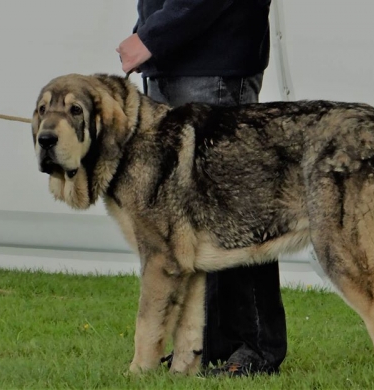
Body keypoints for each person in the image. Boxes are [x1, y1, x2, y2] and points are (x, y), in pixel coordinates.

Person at [116, 0, 287, 376]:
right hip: (171, 61)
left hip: (212, 65)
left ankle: (256, 347)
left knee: (240, 213)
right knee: (189, 223)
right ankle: (207, 346)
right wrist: (149, 35)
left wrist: (151, 36)